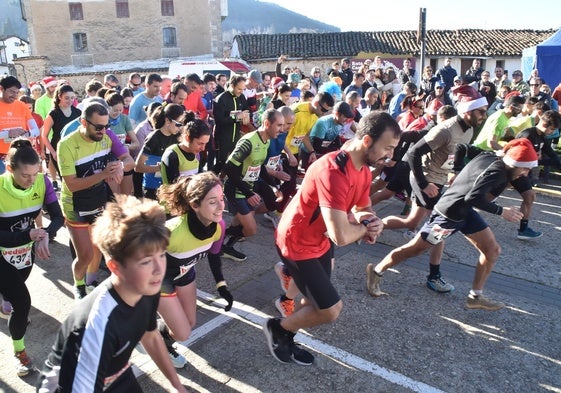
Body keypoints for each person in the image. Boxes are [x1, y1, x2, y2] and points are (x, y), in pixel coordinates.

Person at [263, 111, 400, 365]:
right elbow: (341, 235)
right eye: (387, 148)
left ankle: (287, 332)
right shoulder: (334, 171)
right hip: (297, 242)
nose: (389, 156)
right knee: (330, 310)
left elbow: (362, 206)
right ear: (368, 141)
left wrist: (369, 220)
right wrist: (366, 229)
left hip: (319, 239)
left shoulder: (362, 168)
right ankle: (279, 328)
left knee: (311, 302)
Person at [36, 195, 188, 393]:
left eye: (161, 255)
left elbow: (150, 337)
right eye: (145, 261)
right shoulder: (97, 325)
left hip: (114, 372)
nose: (159, 270)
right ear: (114, 267)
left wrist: (177, 386)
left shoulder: (147, 287)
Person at [367, 139, 538, 311]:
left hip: (465, 213)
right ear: (513, 164)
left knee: (492, 250)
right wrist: (502, 211)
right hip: (447, 216)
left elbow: (462, 147)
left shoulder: (490, 155)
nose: (526, 173)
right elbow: (473, 197)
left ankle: (475, 296)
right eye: (524, 168)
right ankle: (376, 270)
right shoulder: (498, 172)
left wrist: (455, 170)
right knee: (416, 249)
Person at [378, 86, 489, 293]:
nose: (484, 116)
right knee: (441, 226)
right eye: (481, 112)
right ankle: (434, 276)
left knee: (411, 222)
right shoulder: (445, 130)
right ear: (467, 110)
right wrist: (423, 184)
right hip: (425, 179)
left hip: (438, 179)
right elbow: (412, 154)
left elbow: (458, 152)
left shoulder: (470, 129)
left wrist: (456, 171)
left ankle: (368, 226)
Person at [155, 172, 233, 367]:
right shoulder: (171, 231)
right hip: (159, 280)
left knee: (188, 323)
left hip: (185, 273)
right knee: (183, 333)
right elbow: (138, 258)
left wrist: (221, 285)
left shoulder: (219, 226)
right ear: (195, 205)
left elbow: (214, 255)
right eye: (213, 201)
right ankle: (146, 332)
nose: (221, 206)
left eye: (222, 198)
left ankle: (158, 339)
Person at [58, 102, 134, 299]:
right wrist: (103, 174)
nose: (103, 131)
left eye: (106, 126)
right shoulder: (66, 145)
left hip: (98, 200)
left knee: (99, 248)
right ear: (84, 122)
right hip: (75, 204)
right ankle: (79, 285)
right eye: (98, 127)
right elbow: (72, 184)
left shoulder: (107, 136)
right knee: (85, 255)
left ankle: (91, 282)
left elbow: (129, 159)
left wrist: (119, 166)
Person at [0, 139, 63, 376]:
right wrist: (28, 234)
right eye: (26, 176)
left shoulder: (42, 182)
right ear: (9, 169)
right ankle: (20, 353)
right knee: (22, 303)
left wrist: (46, 234)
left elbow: (58, 217)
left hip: (24, 254)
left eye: (36, 174)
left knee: (14, 295)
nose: (32, 180)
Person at [220, 109, 284, 262]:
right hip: (236, 188)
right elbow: (229, 168)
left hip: (248, 188)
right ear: (267, 123)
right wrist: (248, 193)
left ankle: (226, 247)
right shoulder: (248, 141)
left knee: (238, 221)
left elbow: (260, 167)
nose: (282, 130)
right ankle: (215, 239)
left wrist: (273, 186)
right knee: (251, 229)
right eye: (279, 125)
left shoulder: (266, 140)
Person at [134, 103, 185, 200]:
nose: (180, 127)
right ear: (167, 121)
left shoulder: (177, 137)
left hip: (169, 187)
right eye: (178, 124)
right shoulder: (154, 137)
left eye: (182, 124)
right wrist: (159, 167)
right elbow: (138, 167)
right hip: (152, 188)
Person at [41, 84, 82, 187]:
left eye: (72, 98)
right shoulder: (53, 113)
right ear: (59, 97)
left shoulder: (78, 112)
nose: (70, 101)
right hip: (59, 149)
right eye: (67, 98)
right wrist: (53, 152)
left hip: (76, 149)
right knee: (66, 180)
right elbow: (44, 136)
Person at [212, 74, 250, 175]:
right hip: (223, 137)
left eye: (243, 89)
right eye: (239, 89)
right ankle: (209, 182)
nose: (241, 92)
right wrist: (236, 117)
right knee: (221, 163)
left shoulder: (241, 97)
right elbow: (219, 120)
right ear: (232, 85)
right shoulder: (221, 99)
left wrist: (246, 116)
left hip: (236, 137)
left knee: (235, 163)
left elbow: (246, 109)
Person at [161, 113, 211, 184]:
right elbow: (173, 187)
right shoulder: (173, 154)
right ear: (187, 138)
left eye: (206, 144)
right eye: (200, 143)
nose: (203, 149)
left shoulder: (195, 152)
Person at [106, 91, 139, 195]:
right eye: (115, 110)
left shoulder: (124, 119)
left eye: (120, 110)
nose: (118, 113)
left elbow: (136, 143)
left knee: (126, 196)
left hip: (124, 160)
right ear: (108, 108)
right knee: (115, 197)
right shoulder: (103, 120)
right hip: (110, 163)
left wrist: (126, 146)